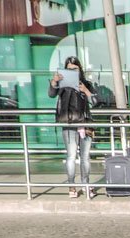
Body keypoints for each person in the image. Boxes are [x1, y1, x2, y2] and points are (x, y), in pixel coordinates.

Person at [49, 56, 97, 198]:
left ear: (80, 69)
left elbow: (95, 101)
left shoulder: (86, 83)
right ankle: (71, 186)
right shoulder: (62, 86)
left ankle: (86, 184)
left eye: (75, 69)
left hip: (85, 123)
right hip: (69, 123)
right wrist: (54, 81)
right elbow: (51, 94)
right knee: (71, 156)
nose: (72, 72)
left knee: (85, 157)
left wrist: (85, 90)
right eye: (69, 70)